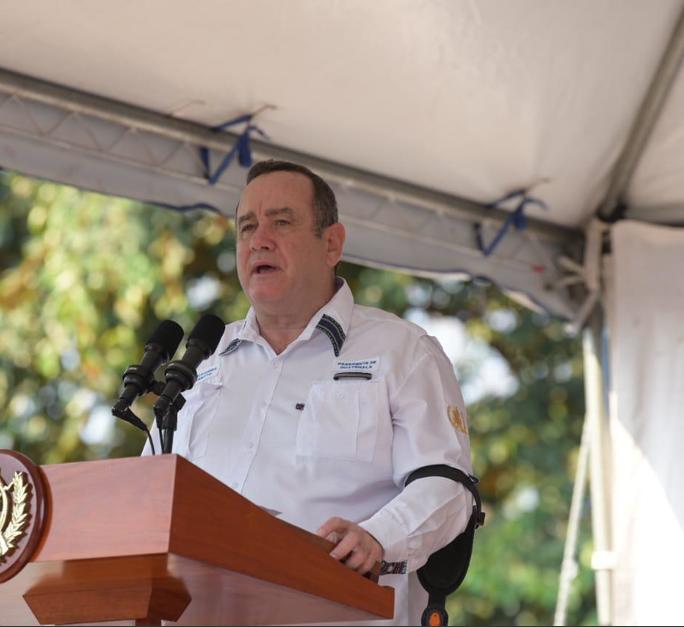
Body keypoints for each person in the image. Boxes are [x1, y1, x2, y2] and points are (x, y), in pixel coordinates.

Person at [146, 159, 474, 625]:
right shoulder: (200, 363)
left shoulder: (402, 350)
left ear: (332, 243)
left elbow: (448, 486)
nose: (259, 240)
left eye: (281, 222)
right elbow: (145, 496)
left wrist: (378, 537)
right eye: (246, 227)